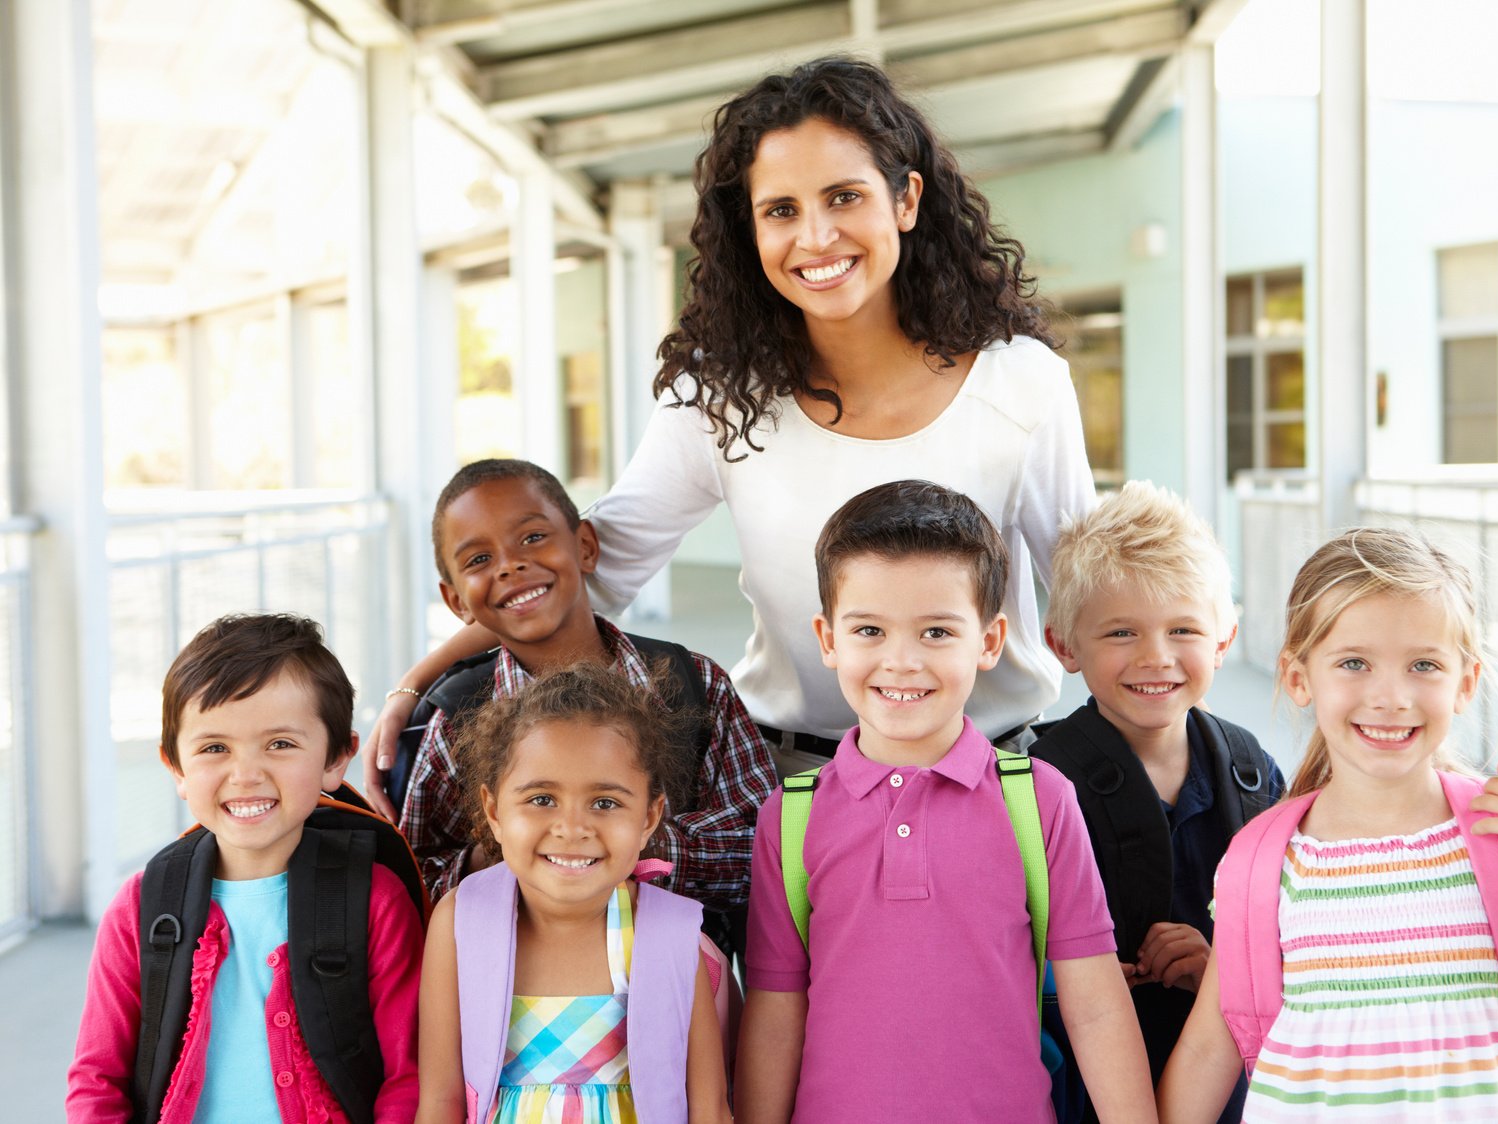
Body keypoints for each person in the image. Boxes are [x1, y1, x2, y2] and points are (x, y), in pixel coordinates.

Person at [364, 55, 1095, 803]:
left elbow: (1088, 600)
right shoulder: (718, 399)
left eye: (843, 196)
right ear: (747, 230)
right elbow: (588, 576)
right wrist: (419, 682)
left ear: (905, 198)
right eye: (780, 210)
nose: (815, 237)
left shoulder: (1018, 382)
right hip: (797, 783)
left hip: (993, 778)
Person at [1158, 528, 1498, 1121]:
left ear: (1465, 682)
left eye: (1423, 665)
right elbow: (1208, 1050)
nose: (1391, 696)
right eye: (1354, 662)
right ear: (1300, 678)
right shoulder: (1261, 864)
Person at [735, 480, 1154, 1124]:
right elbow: (773, 1007)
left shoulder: (1039, 800)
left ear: (988, 642)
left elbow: (1095, 1002)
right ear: (828, 639)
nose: (901, 661)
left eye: (936, 631)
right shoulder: (791, 817)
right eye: (869, 630)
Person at [67, 614, 422, 1122]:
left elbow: (408, 1075)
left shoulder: (374, 899)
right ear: (176, 768)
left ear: (336, 758)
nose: (247, 774)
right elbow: (97, 1079)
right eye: (215, 748)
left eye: (280, 744)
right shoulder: (142, 907)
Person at [397, 458, 775, 909]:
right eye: (479, 559)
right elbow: (412, 883)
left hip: (682, 972)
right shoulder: (455, 720)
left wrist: (636, 841)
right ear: (456, 599)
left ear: (585, 547)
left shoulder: (695, 684)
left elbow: (763, 850)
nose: (510, 565)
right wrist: (504, 850)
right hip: (515, 978)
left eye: (533, 537)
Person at [1032, 482, 1283, 1123]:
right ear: (1063, 644)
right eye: (1121, 631)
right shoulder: (1033, 783)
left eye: (1183, 629)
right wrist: (1074, 983)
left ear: (1224, 640)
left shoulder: (1251, 772)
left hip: (1228, 1086)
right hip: (1078, 1085)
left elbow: (1296, 939)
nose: (1156, 656)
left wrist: (1217, 966)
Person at [416, 662, 731, 1124]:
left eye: (605, 803)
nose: (572, 829)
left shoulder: (670, 934)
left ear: (648, 818)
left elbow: (711, 1110)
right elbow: (440, 1102)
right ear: (494, 810)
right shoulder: (461, 919)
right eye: (542, 799)